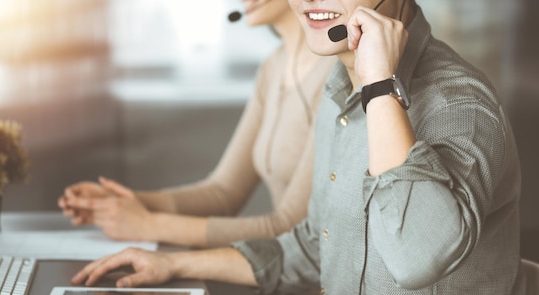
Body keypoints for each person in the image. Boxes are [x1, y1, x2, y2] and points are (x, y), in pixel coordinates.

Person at [70, 0, 526, 293]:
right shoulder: (339, 92)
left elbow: (416, 260)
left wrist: (381, 86)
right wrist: (172, 265)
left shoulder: (459, 104)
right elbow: (314, 246)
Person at [57, 0, 336, 248]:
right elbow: (224, 192)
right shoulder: (273, 67)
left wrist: (150, 225)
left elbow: (289, 229)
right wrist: (123, 203)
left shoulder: (336, 75)